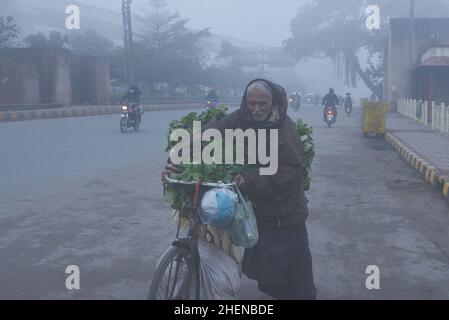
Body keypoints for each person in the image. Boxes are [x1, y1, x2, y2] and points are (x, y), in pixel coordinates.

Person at [164, 79, 317, 300]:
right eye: (251, 103)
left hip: (285, 211)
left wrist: (250, 178)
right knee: (269, 277)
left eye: (262, 104)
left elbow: (289, 171)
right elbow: (209, 134)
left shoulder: (285, 128)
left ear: (272, 102)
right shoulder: (239, 119)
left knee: (297, 275)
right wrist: (178, 156)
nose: (256, 109)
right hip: (260, 207)